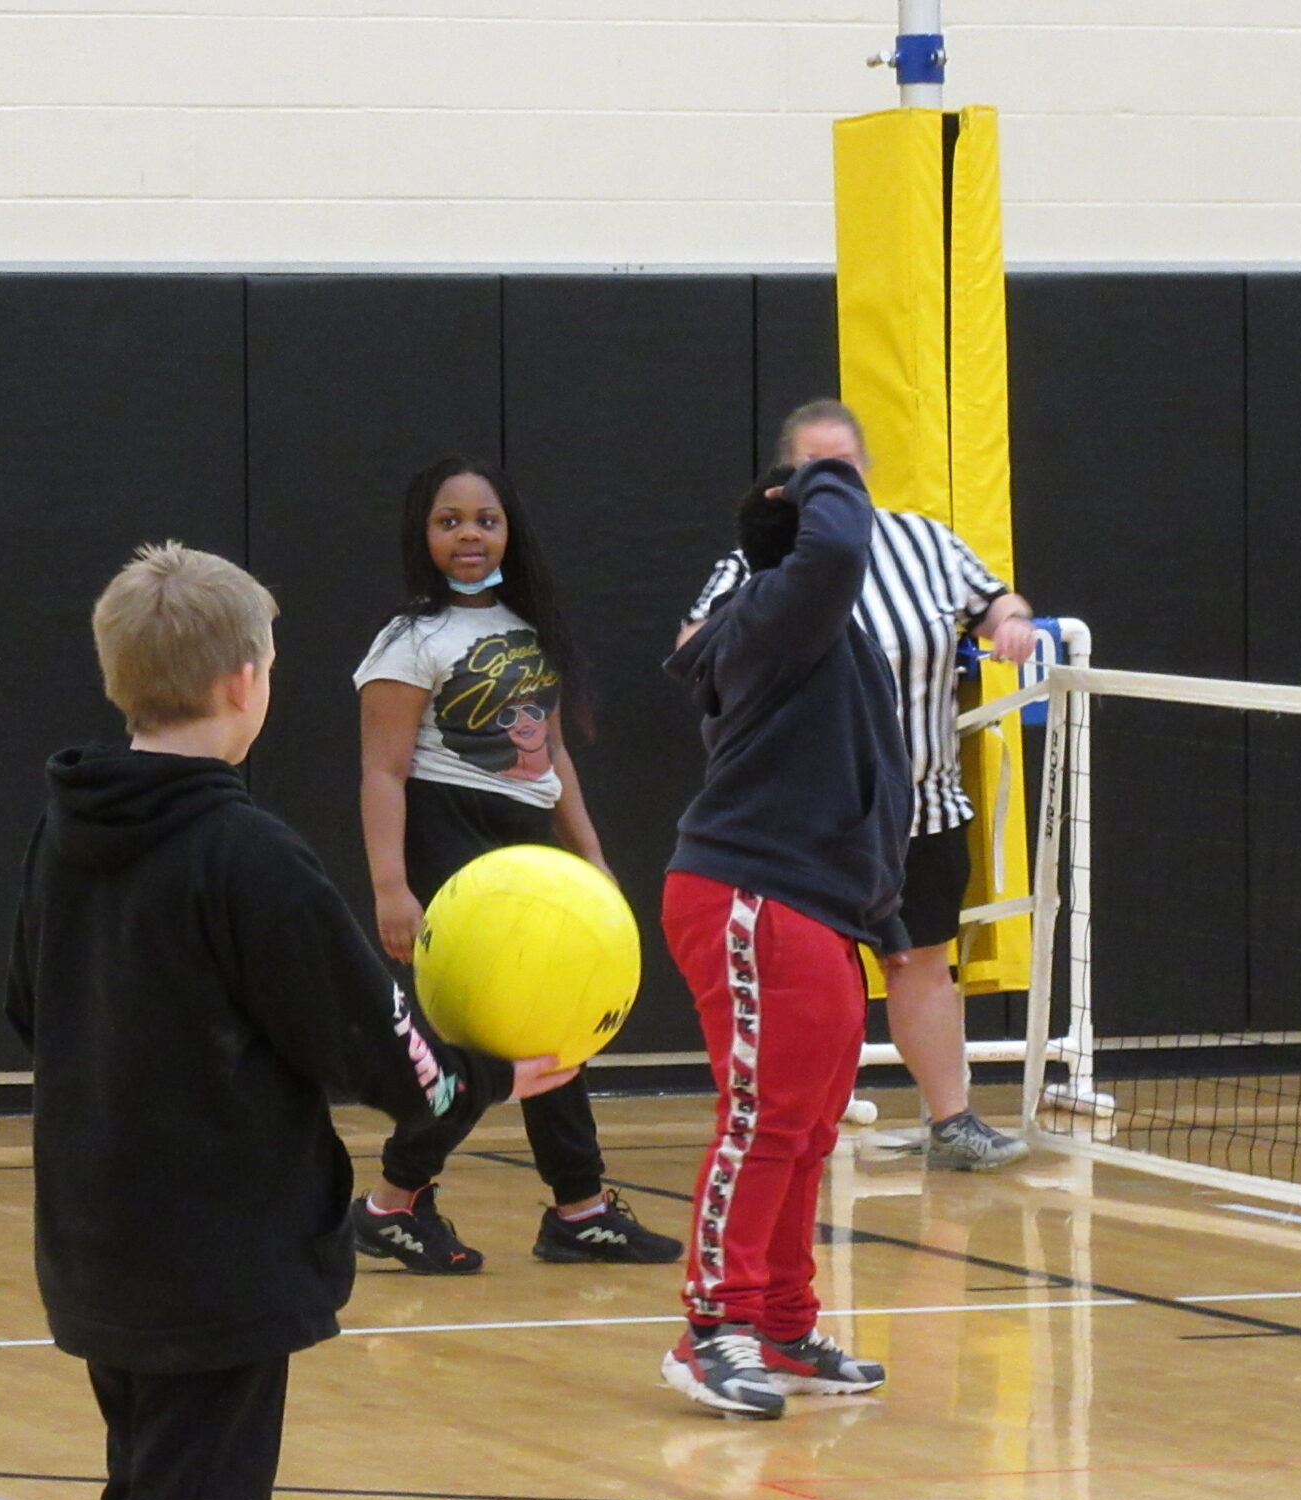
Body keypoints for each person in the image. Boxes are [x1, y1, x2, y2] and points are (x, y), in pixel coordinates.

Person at [8, 542, 558, 1500]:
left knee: (146, 1494)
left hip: (95, 1224)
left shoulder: (68, 822)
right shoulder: (249, 855)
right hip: (214, 1244)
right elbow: (376, 1045)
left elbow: (33, 1006)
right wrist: (485, 1075)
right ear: (250, 683)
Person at [681, 399, 1039, 1173]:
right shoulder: (762, 560)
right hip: (811, 824)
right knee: (820, 972)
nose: (831, 485)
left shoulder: (926, 544)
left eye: (843, 469)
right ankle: (805, 1111)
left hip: (922, 803)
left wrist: (1010, 622)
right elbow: (694, 644)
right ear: (785, 482)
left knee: (921, 961)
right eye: (814, 471)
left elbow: (995, 599)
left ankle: (953, 1122)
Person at [351, 457, 682, 1274]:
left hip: (527, 843)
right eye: (449, 520)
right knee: (490, 1039)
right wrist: (392, 886)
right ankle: (400, 1199)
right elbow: (383, 772)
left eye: (485, 519)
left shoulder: (533, 630)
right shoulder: (410, 641)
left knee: (553, 1021)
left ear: (510, 532)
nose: (469, 533)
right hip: (450, 840)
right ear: (422, 534)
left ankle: (576, 1208)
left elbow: (555, 755)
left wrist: (593, 859)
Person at [660, 457, 908, 1418]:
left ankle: (778, 1320)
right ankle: (710, 1328)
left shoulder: (828, 642)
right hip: (746, 891)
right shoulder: (774, 616)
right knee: (762, 1117)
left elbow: (870, 783)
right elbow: (840, 543)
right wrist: (829, 472)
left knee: (808, 1129)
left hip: (822, 906)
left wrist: (880, 915)